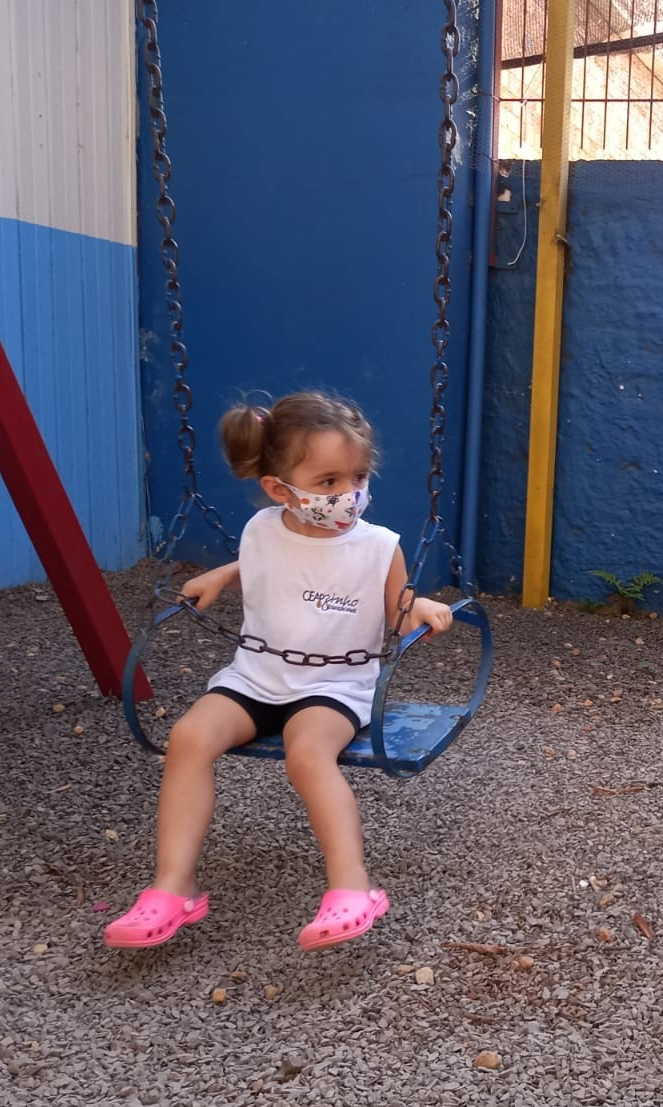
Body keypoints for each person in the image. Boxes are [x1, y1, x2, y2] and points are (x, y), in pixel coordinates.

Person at [105, 391, 453, 952]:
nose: (348, 494)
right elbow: (272, 558)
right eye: (328, 481)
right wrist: (222, 575)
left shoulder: (377, 547)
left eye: (357, 477)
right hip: (255, 678)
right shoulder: (262, 529)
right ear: (278, 489)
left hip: (334, 686)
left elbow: (399, 607)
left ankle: (352, 887)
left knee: (306, 754)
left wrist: (422, 608)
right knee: (188, 738)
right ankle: (174, 888)